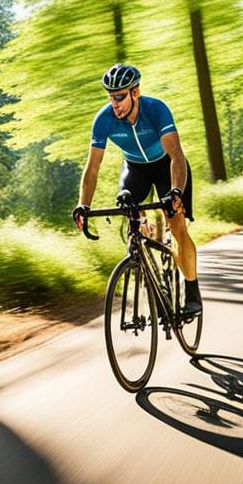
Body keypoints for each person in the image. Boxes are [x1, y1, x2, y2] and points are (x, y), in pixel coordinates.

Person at [72, 63, 203, 315]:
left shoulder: (156, 110)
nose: (115, 103)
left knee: (177, 226)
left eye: (120, 96)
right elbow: (92, 169)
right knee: (127, 204)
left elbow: (176, 154)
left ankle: (192, 291)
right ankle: (147, 267)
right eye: (111, 97)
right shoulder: (104, 119)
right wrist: (83, 204)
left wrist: (176, 191)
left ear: (135, 92)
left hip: (168, 167)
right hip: (136, 170)